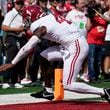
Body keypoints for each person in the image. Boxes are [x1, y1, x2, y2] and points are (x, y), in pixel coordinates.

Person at [0, 13, 110, 102]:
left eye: (27, 19)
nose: (25, 22)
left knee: (68, 84)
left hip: (76, 47)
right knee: (43, 56)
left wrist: (12, 63)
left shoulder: (41, 26)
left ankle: (104, 91)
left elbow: (27, 47)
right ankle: (47, 91)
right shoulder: (50, 16)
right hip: (69, 45)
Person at [1, 0, 27, 89]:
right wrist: (17, 30)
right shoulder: (11, 14)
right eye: (18, 3)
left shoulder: (21, 14)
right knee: (10, 59)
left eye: (21, 3)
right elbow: (4, 27)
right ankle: (5, 81)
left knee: (17, 60)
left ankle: (14, 81)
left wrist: (22, 31)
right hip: (11, 38)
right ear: (14, 4)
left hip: (19, 38)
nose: (20, 5)